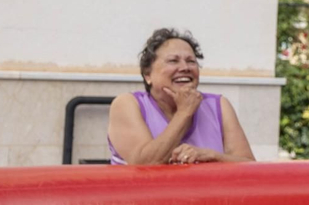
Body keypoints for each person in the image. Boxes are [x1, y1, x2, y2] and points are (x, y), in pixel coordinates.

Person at [107, 28, 255, 165]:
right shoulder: (127, 104)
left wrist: (214, 156)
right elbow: (144, 164)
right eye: (173, 61)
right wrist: (184, 112)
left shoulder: (219, 105)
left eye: (191, 61)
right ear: (148, 75)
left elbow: (249, 166)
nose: (185, 68)